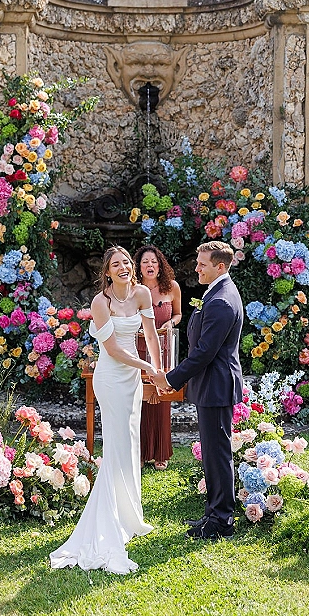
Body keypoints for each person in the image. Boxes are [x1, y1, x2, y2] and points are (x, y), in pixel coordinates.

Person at [50, 245, 162, 574]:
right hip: (112, 379)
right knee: (115, 446)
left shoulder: (142, 294)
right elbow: (112, 349)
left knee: (130, 444)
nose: (124, 267)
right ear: (108, 272)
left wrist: (159, 370)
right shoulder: (102, 302)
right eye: (117, 264)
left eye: (127, 262)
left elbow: (152, 335)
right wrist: (147, 367)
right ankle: (109, 520)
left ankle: (130, 517)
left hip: (134, 379)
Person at [150, 241, 243, 540]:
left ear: (220, 266)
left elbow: (204, 352)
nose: (196, 268)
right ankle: (213, 513)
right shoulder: (215, 293)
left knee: (217, 454)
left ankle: (222, 521)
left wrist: (170, 378)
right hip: (211, 385)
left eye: (202, 264)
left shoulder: (221, 300)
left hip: (216, 385)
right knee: (213, 453)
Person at [134, 246, 182, 471]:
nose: (150, 265)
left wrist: (170, 323)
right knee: (140, 401)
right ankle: (141, 453)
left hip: (163, 350)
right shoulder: (132, 290)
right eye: (145, 262)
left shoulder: (172, 287)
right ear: (138, 266)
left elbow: (178, 314)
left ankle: (161, 453)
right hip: (138, 351)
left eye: (154, 261)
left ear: (160, 265)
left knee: (161, 400)